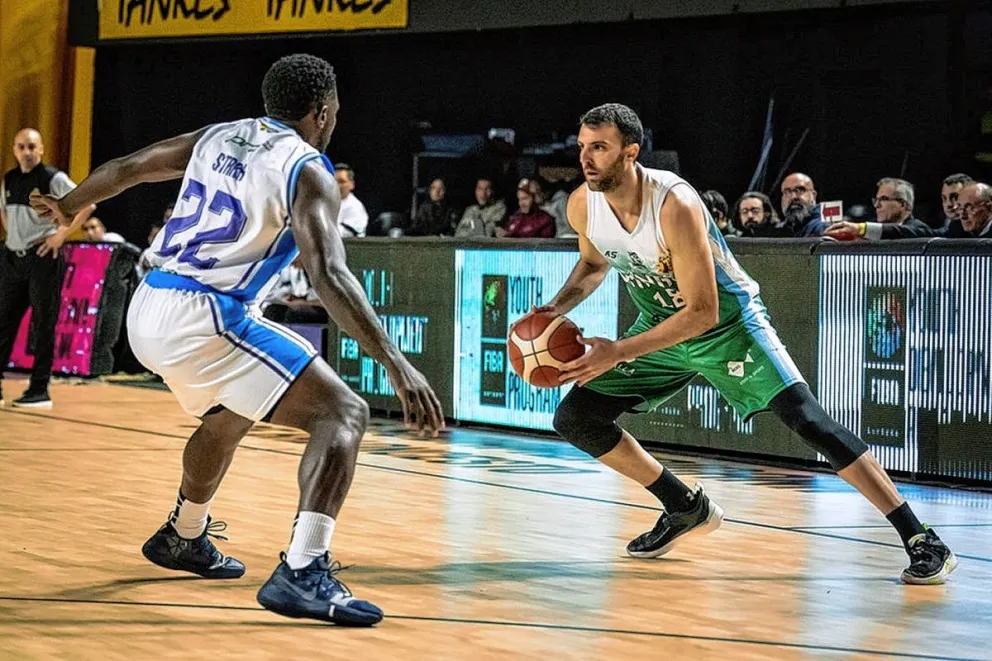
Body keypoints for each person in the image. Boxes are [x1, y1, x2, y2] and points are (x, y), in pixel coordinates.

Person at [31, 53, 445, 625]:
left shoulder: (219, 135)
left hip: (149, 303)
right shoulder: (308, 168)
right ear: (322, 113)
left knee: (231, 411)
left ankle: (184, 534)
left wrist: (69, 203)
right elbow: (328, 274)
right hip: (207, 315)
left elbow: (131, 166)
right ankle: (303, 572)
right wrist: (397, 363)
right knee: (343, 414)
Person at [523, 103, 956, 585]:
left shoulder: (674, 204)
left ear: (631, 151)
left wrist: (620, 350)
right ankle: (682, 505)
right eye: (582, 146)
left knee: (808, 421)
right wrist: (554, 309)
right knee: (575, 418)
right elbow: (592, 263)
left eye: (599, 147)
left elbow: (703, 311)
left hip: (728, 325)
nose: (586, 158)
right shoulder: (583, 203)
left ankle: (920, 536)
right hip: (661, 325)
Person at [0, 128, 95, 408]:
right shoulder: (10, 179)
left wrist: (59, 236)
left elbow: (87, 204)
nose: (26, 152)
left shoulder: (52, 178)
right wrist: (14, 236)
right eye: (21, 147)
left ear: (41, 150)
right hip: (13, 258)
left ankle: (39, 389)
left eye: (31, 147)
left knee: (44, 323)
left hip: (42, 258)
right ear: (14, 150)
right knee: (4, 321)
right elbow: (4, 211)